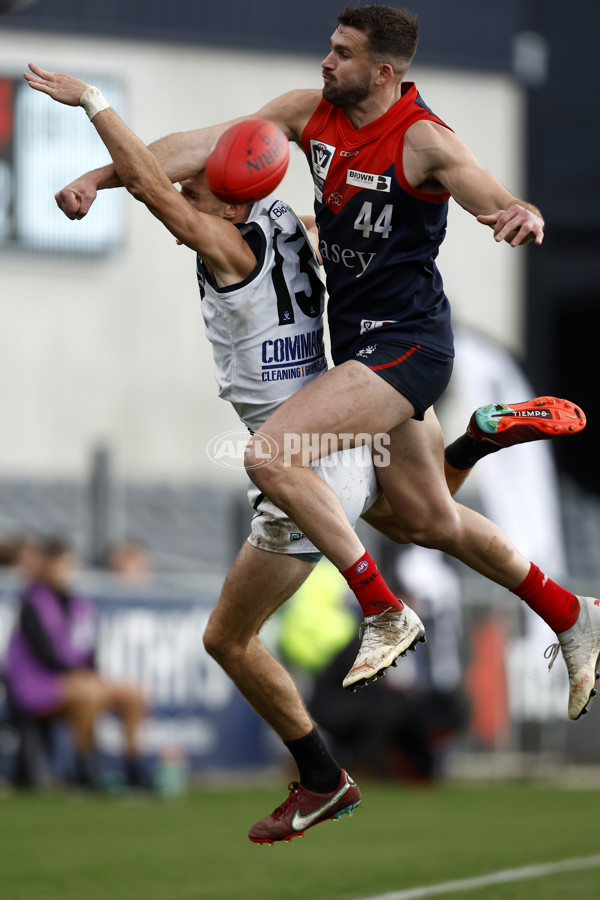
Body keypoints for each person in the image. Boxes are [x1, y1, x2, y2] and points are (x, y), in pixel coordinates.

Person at [24, 60, 587, 841]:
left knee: (227, 637)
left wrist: (92, 104)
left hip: (307, 460)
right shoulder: (288, 223)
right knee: (424, 518)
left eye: (201, 187)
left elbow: (156, 185)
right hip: (346, 432)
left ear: (225, 198)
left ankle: (331, 753)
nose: (186, 191)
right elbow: (185, 164)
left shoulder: (225, 247)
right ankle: (476, 445)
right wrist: (114, 172)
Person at [3, 537, 147, 789]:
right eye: (60, 564)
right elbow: (45, 656)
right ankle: (85, 769)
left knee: (133, 693)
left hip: (73, 680)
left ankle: (134, 768)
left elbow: (90, 652)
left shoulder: (80, 604)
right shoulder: (32, 602)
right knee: (89, 693)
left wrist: (93, 676)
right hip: (37, 685)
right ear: (47, 566)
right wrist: (84, 678)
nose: (66, 570)